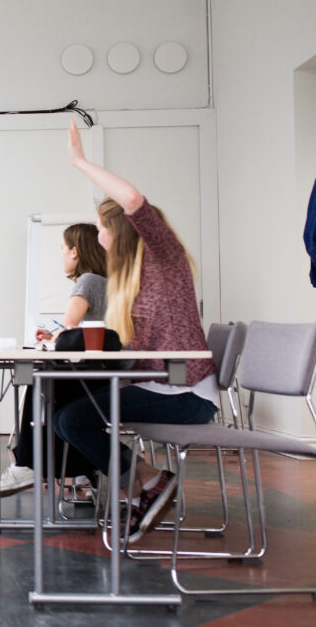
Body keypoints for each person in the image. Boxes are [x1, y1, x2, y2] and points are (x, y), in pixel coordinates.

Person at [53, 120, 217, 543]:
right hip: (160, 388)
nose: (100, 237)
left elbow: (134, 200)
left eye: (103, 229)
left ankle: (147, 483)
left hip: (186, 397)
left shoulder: (166, 259)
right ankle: (145, 486)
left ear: (122, 231)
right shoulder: (131, 281)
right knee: (67, 412)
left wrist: (79, 161)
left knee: (73, 418)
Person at [0, 222, 107, 497]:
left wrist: (52, 337)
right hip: (105, 374)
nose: (61, 254)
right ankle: (82, 471)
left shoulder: (87, 281)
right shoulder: (108, 282)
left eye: (63, 248)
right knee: (54, 390)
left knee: (41, 382)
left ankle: (26, 464)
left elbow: (68, 326)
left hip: (90, 376)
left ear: (75, 251)